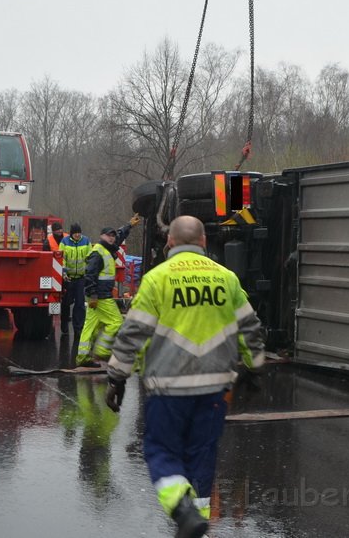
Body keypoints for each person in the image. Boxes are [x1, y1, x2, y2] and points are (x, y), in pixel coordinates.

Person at [105, 215, 266, 538]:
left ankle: (182, 511)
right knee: (202, 458)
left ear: (171, 243)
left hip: (169, 388)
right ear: (204, 242)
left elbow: (133, 333)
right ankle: (198, 523)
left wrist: (117, 378)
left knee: (161, 452)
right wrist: (254, 366)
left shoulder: (157, 279)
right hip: (214, 387)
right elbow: (250, 328)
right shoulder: (227, 279)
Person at [77, 215, 141, 368]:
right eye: (109, 236)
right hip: (100, 296)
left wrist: (129, 226)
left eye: (113, 236)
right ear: (102, 236)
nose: (112, 238)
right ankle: (102, 350)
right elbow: (89, 275)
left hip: (97, 296)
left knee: (90, 326)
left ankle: (83, 357)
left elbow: (119, 236)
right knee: (116, 322)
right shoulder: (98, 253)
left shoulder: (107, 248)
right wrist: (92, 295)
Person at [59, 223, 92, 334]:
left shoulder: (86, 241)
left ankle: (78, 328)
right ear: (71, 233)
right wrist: (64, 273)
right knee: (66, 303)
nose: (77, 235)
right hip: (68, 278)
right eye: (75, 233)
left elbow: (90, 258)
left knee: (80, 304)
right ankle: (64, 325)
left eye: (79, 232)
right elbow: (61, 259)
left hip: (81, 278)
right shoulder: (64, 242)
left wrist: (88, 272)